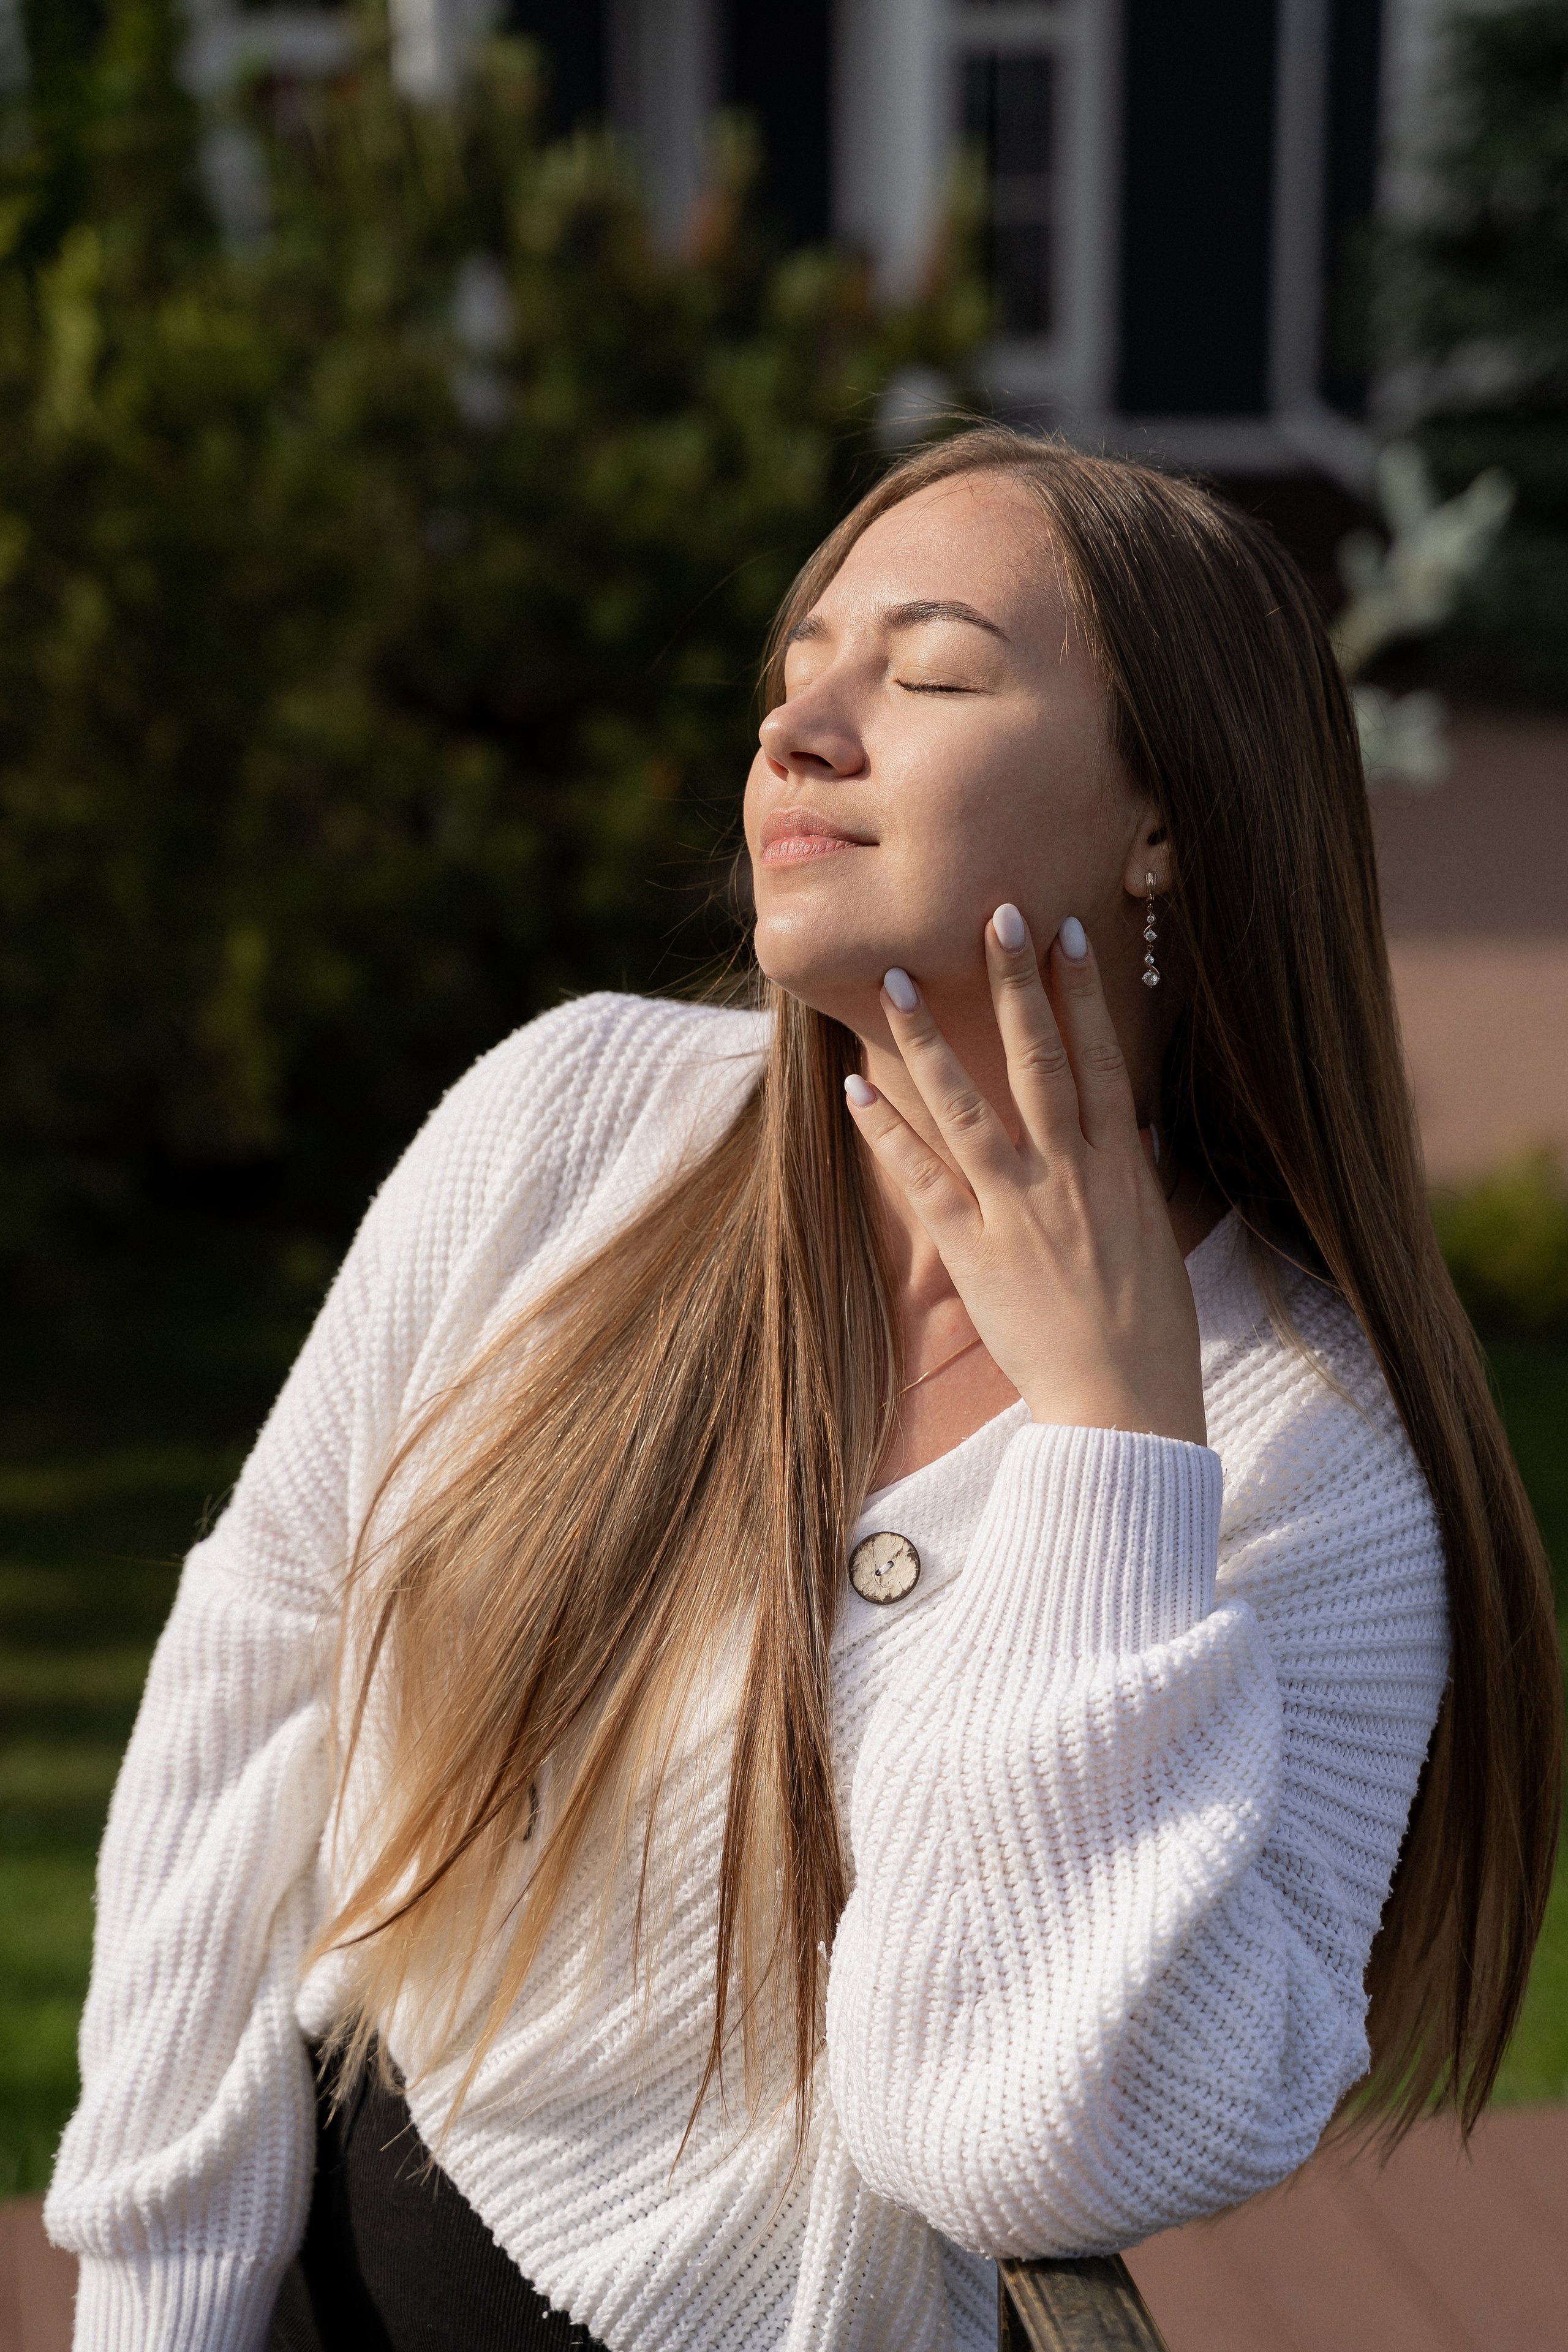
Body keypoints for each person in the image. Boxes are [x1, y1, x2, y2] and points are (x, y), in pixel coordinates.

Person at [46, 428, 1561, 2352]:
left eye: (923, 675)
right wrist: (159, 2307)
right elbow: (256, 1681)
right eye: (797, 677)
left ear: (1168, 817)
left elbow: (1025, 2149)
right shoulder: (572, 1124)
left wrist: (1112, 1447)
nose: (803, 732)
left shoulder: (1310, 1473)